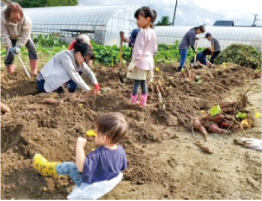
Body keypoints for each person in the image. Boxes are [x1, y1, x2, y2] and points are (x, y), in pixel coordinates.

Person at [33, 112, 128, 200]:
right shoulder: (121, 151)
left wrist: (79, 147)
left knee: (70, 167)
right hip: (104, 184)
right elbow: (123, 167)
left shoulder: (99, 155)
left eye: (96, 133)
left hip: (89, 185)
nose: (94, 134)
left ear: (103, 138)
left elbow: (81, 167)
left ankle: (44, 168)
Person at [127, 7, 158, 107]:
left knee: (136, 82)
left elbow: (138, 50)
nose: (137, 22)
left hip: (140, 62)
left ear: (147, 19)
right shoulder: (153, 32)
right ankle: (143, 102)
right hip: (149, 61)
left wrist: (134, 61)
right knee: (144, 82)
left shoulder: (142, 33)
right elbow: (155, 49)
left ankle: (133, 101)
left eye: (138, 19)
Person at [0, 3, 38, 76]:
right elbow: (4, 33)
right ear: (8, 15)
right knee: (10, 54)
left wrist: (19, 46)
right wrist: (9, 46)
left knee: (32, 48)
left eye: (18, 18)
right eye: (14, 18)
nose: (16, 20)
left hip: (22, 34)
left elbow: (25, 35)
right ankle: (11, 74)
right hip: (10, 35)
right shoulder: (1, 18)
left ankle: (34, 72)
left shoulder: (27, 20)